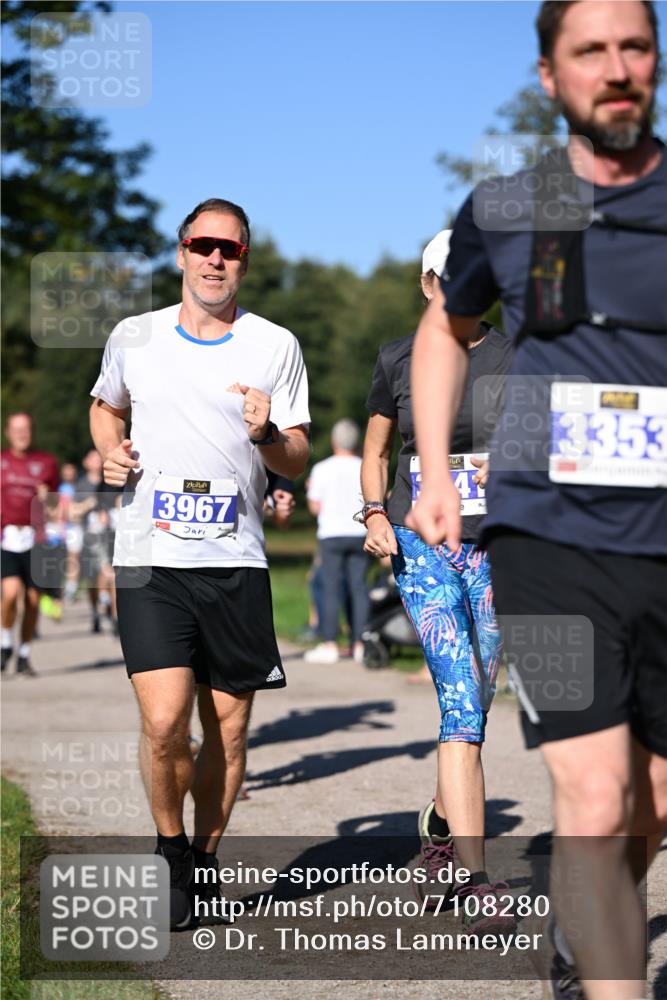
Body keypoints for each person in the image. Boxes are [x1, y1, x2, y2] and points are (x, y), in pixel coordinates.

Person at [409, 3, 666, 997]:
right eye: (589, 51)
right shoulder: (507, 208)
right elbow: (445, 329)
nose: (616, 68)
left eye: (634, 47)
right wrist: (434, 470)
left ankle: (579, 927)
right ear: (547, 75)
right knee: (593, 797)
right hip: (545, 534)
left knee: (649, 801)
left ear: (654, 62)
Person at [89, 197, 310, 930]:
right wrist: (108, 449)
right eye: (202, 245)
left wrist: (269, 431)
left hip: (235, 562)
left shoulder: (274, 345)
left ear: (244, 259)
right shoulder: (135, 336)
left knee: (231, 731)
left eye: (231, 249)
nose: (216, 259)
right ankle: (170, 850)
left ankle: (205, 860)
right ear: (181, 253)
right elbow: (104, 406)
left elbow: (298, 458)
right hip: (151, 559)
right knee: (163, 723)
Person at [361, 230, 514, 932]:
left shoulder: (519, 356)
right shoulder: (398, 356)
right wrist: (372, 512)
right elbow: (375, 448)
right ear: (426, 284)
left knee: (476, 700)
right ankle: (476, 880)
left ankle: (438, 830)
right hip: (423, 547)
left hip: (493, 549)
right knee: (459, 701)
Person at [304, 419, 369, 664]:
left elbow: (315, 507)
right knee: (358, 587)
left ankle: (330, 643)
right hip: (359, 532)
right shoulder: (364, 466)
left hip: (331, 534)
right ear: (358, 442)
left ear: (333, 441)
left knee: (331, 588)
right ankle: (359, 642)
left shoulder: (321, 469)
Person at [1, 413, 59, 676]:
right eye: (17, 430)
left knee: (34, 600)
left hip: (36, 538)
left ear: (31, 432)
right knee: (11, 594)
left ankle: (24, 654)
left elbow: (56, 502)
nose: (22, 434)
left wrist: (49, 500)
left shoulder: (46, 462)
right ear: (8, 433)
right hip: (7, 537)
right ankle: (4, 643)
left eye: (26, 429)